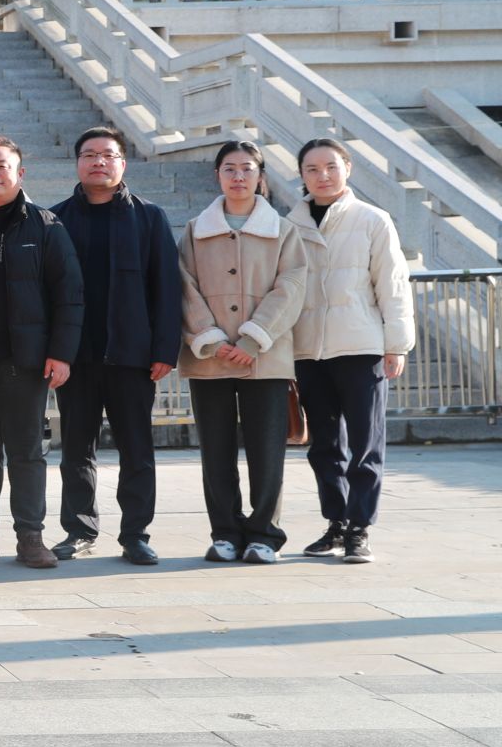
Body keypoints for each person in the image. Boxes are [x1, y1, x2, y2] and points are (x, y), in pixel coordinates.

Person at [0, 136, 83, 572]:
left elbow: (69, 294)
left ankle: (30, 535)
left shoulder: (46, 226)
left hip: (26, 362)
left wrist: (61, 353)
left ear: (19, 174)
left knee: (27, 453)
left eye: (2, 166)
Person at [49, 127, 182, 566]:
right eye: (89, 155)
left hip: (132, 356)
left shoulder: (149, 218)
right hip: (77, 357)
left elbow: (166, 287)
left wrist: (164, 350)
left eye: (107, 155)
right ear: (77, 163)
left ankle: (135, 534)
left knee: (136, 449)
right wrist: (54, 350)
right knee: (76, 451)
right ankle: (79, 530)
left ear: (122, 163)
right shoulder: (56, 219)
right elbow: (48, 291)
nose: (98, 162)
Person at [180, 140, 311, 564]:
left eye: (247, 169)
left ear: (260, 176)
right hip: (210, 358)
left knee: (267, 450)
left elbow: (291, 286)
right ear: (217, 175)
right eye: (229, 169)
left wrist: (254, 337)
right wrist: (211, 338)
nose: (238, 177)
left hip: (266, 358)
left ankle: (264, 535)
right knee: (215, 450)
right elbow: (184, 286)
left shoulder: (283, 231)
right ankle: (224, 533)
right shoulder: (195, 230)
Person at [289, 138, 414, 566]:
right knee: (324, 446)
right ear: (301, 175)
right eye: (311, 169)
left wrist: (396, 344)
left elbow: (392, 284)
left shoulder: (372, 220)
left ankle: (360, 527)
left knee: (365, 443)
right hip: (309, 350)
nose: (322, 175)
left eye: (331, 166)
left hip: (361, 346)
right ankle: (336, 522)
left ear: (348, 168)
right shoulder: (291, 224)